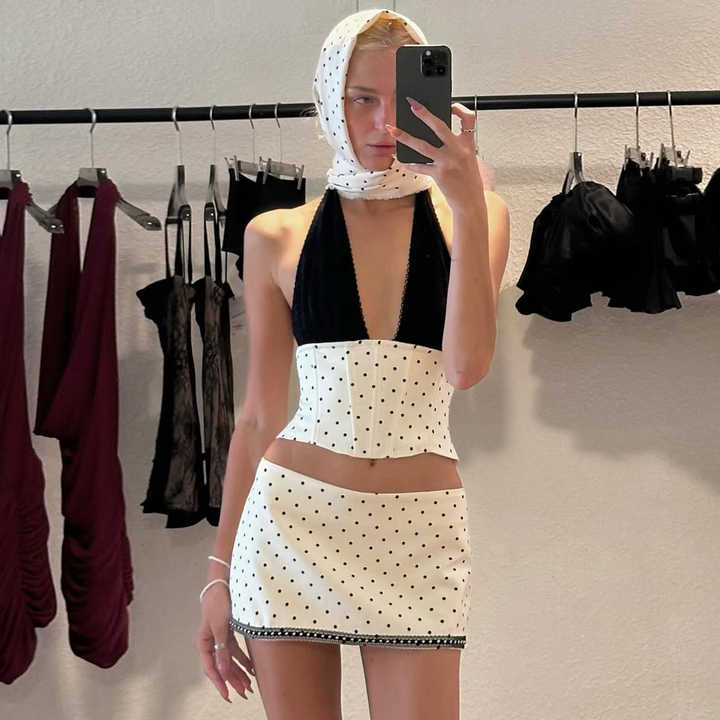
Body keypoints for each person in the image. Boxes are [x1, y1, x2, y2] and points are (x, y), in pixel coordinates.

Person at [195, 8, 509, 718]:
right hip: (290, 527)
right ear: (328, 100)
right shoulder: (276, 233)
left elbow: (465, 367)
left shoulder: (478, 215)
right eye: (361, 99)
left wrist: (465, 198)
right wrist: (217, 573)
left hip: (418, 536)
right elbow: (258, 414)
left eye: (403, 103)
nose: (383, 124)